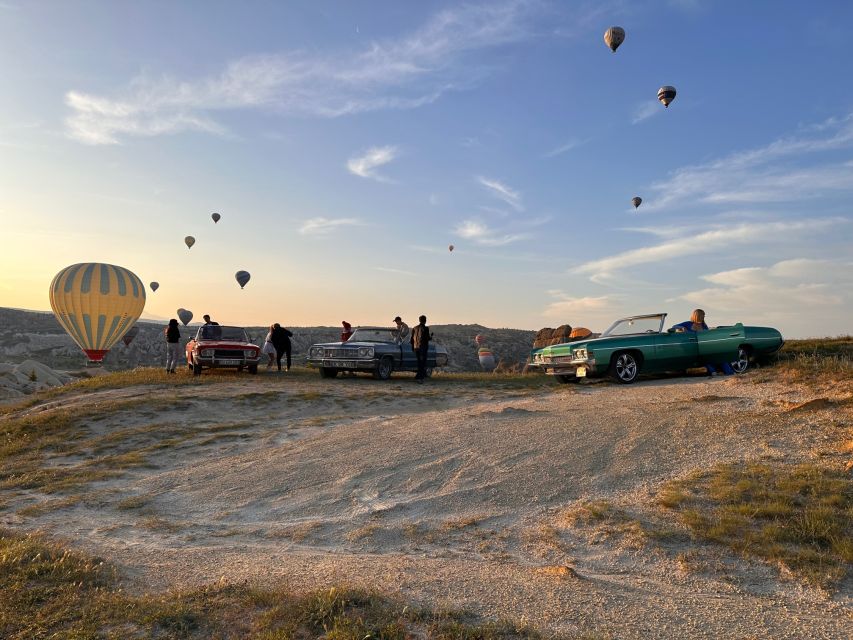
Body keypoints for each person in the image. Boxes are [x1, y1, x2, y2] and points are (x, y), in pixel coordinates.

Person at [410, 315, 432, 383]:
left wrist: (413, 348)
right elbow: (427, 338)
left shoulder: (414, 328)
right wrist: (431, 337)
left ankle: (418, 376)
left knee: (419, 362)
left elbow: (411, 340)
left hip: (416, 347)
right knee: (422, 363)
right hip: (422, 348)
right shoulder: (425, 328)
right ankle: (420, 378)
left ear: (419, 320)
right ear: (425, 320)